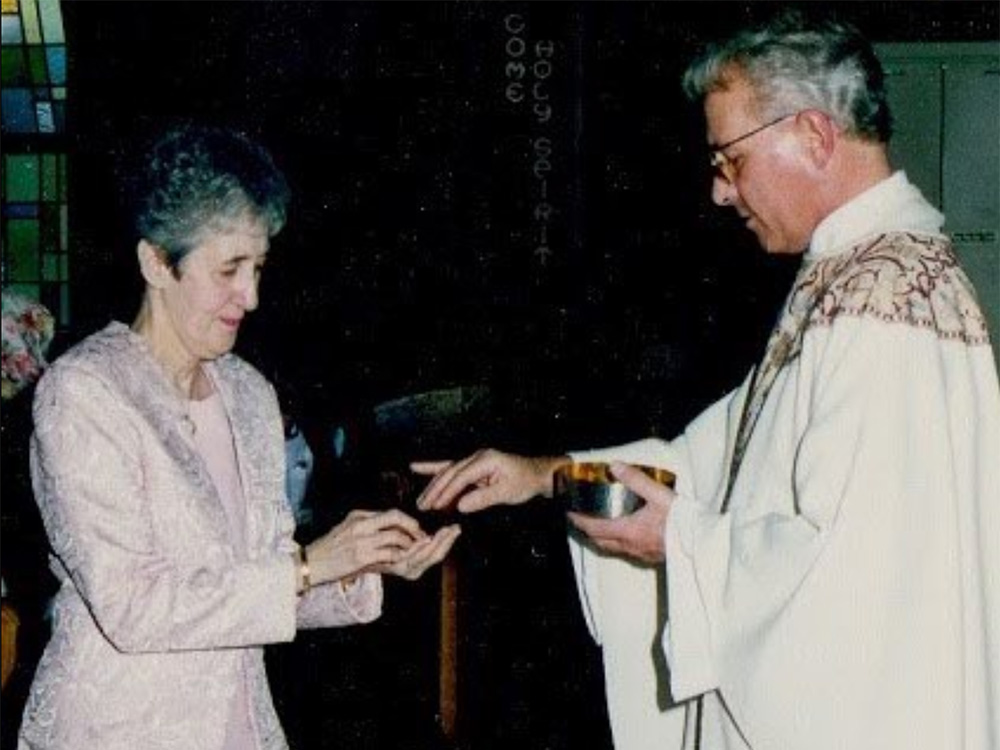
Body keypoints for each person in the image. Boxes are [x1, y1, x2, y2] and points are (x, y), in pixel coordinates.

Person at [413, 10, 1000, 750]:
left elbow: (844, 584)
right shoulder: (856, 278)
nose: (721, 192)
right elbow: (715, 463)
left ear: (813, 136)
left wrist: (676, 543)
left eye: (730, 159)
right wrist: (545, 475)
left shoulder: (878, 309)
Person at [18, 124, 461, 750]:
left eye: (258, 268)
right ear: (155, 262)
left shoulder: (248, 393)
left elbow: (257, 583)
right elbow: (134, 606)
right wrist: (309, 565)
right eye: (229, 269)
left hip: (237, 725)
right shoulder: (85, 393)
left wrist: (361, 564)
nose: (250, 296)